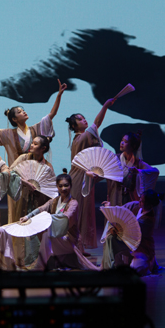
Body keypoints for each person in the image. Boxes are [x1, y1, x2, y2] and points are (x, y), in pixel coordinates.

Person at [20, 170, 99, 271]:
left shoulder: (73, 203)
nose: (63, 188)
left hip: (69, 238)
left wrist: (48, 218)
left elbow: (66, 217)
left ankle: (39, 266)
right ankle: (43, 264)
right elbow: (41, 209)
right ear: (57, 187)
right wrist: (27, 217)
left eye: (66, 185)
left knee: (47, 234)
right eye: (60, 186)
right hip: (56, 236)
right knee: (47, 234)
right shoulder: (55, 201)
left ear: (71, 186)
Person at [65, 97, 116, 250]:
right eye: (80, 119)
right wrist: (105, 105)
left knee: (84, 212)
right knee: (80, 212)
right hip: (79, 178)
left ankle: (79, 246)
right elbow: (97, 123)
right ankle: (75, 246)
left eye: (84, 118)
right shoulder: (83, 137)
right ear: (74, 125)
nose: (84, 120)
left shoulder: (80, 138)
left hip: (84, 177)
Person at [8, 135, 55, 266]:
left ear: (43, 148)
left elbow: (50, 188)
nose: (31, 146)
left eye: (35, 144)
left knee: (35, 230)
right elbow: (10, 172)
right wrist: (25, 182)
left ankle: (36, 260)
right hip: (22, 199)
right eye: (32, 143)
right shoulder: (23, 158)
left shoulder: (47, 166)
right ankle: (21, 259)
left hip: (38, 202)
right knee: (22, 226)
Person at [86, 131, 159, 207]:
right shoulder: (114, 159)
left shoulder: (138, 163)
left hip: (130, 199)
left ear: (133, 146)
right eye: (122, 140)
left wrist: (139, 172)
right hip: (115, 197)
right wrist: (91, 173)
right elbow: (102, 170)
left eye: (126, 142)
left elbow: (154, 172)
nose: (122, 143)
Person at [101, 189, 164, 276]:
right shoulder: (136, 206)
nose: (139, 201)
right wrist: (110, 208)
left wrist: (115, 222)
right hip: (131, 243)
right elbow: (121, 211)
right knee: (111, 238)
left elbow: (128, 228)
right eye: (140, 199)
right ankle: (114, 266)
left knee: (135, 271)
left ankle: (147, 262)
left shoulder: (147, 220)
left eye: (142, 201)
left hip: (141, 247)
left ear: (149, 204)